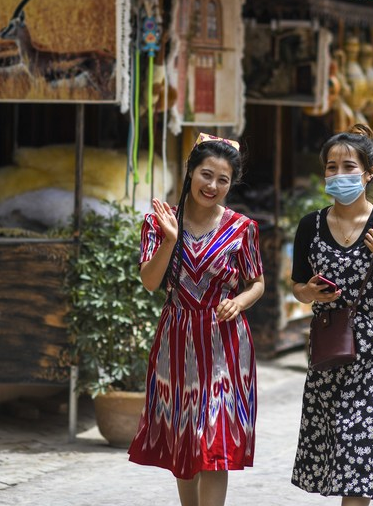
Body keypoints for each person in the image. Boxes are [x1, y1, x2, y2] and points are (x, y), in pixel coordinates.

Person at [129, 133, 265, 506]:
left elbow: (257, 283)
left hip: (225, 342)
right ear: (190, 171)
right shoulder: (158, 222)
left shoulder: (243, 228)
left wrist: (239, 302)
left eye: (223, 180)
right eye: (206, 174)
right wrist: (170, 240)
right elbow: (150, 282)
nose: (212, 186)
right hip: (177, 339)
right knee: (184, 437)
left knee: (215, 439)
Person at [290, 124, 373, 505]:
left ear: (368, 173)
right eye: (331, 167)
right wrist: (310, 292)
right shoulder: (310, 226)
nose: (339, 174)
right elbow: (297, 286)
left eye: (349, 167)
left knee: (357, 451)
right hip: (329, 352)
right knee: (333, 449)